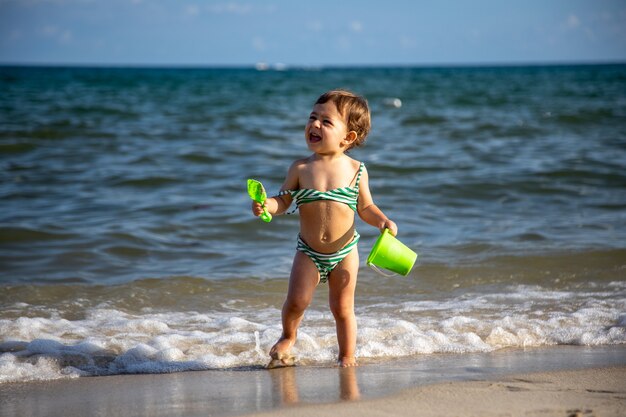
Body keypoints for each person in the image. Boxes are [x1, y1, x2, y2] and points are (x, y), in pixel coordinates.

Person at [251, 89, 398, 368]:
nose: (314, 125)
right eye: (312, 117)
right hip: (308, 251)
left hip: (345, 251)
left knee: (342, 309)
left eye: (326, 122)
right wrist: (266, 205)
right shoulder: (300, 168)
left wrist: (382, 221)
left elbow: (365, 207)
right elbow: (283, 200)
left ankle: (347, 356)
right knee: (296, 301)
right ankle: (288, 336)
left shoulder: (357, 170)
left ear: (348, 138)